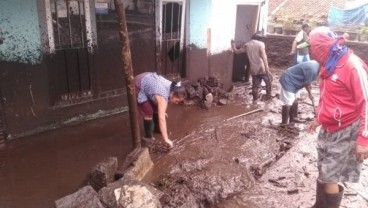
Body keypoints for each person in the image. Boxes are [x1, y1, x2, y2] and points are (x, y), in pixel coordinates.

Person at [307, 27, 368, 208]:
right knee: (324, 169)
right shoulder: (330, 63)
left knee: (331, 174)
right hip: (330, 127)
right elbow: (330, 97)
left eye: (312, 47)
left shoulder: (351, 65)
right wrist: (320, 118)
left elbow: (366, 102)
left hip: (347, 128)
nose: (311, 52)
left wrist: (363, 139)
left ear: (320, 46)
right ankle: (320, 205)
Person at [134, 72, 187, 148]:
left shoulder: (173, 87)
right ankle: (148, 137)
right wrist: (166, 139)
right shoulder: (163, 96)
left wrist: (162, 111)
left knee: (156, 108)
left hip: (149, 81)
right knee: (148, 111)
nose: (176, 103)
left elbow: (161, 106)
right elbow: (162, 119)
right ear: (173, 94)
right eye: (176, 101)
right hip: (139, 83)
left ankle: (157, 129)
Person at [231, 33, 272, 103]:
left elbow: (237, 52)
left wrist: (233, 44)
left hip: (253, 69)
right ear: (259, 38)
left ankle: (255, 100)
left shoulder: (247, 45)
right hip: (262, 67)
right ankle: (268, 98)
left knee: (255, 86)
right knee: (269, 81)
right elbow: (263, 56)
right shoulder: (261, 44)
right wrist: (267, 68)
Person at [279, 60, 320, 124]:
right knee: (288, 101)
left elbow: (307, 80)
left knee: (295, 99)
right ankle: (284, 123)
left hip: (294, 80)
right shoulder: (313, 70)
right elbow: (307, 84)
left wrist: (309, 85)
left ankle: (293, 118)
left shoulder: (316, 65)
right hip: (289, 79)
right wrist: (310, 94)